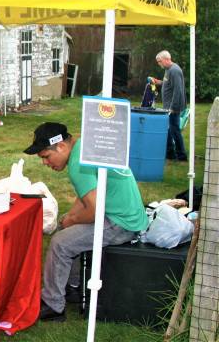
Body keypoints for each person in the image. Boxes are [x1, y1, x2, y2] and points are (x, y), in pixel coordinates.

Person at [24, 122, 148, 321]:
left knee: (59, 243)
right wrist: (70, 218)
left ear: (62, 147)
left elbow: (94, 210)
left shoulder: (78, 165)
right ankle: (72, 287)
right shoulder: (85, 147)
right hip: (127, 215)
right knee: (65, 231)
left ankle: (53, 305)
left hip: (120, 223)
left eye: (46, 157)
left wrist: (72, 220)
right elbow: (88, 197)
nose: (45, 163)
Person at [150, 50, 187, 161]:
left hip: (173, 108)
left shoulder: (174, 70)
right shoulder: (168, 70)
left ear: (166, 59)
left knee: (174, 131)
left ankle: (181, 156)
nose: (159, 64)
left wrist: (173, 108)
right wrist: (158, 82)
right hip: (168, 107)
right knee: (169, 130)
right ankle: (170, 154)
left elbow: (178, 90)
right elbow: (168, 83)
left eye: (159, 61)